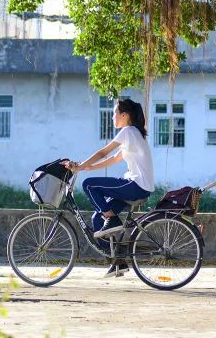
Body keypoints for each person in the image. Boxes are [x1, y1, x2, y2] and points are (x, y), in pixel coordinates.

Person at [63, 98, 154, 278]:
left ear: (124, 115)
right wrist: (84, 166)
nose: (112, 116)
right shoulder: (134, 134)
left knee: (88, 185)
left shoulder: (128, 132)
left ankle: (112, 220)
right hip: (138, 185)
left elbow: (103, 152)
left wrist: (81, 168)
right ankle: (118, 262)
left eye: (114, 113)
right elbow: (111, 160)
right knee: (98, 219)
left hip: (137, 185)